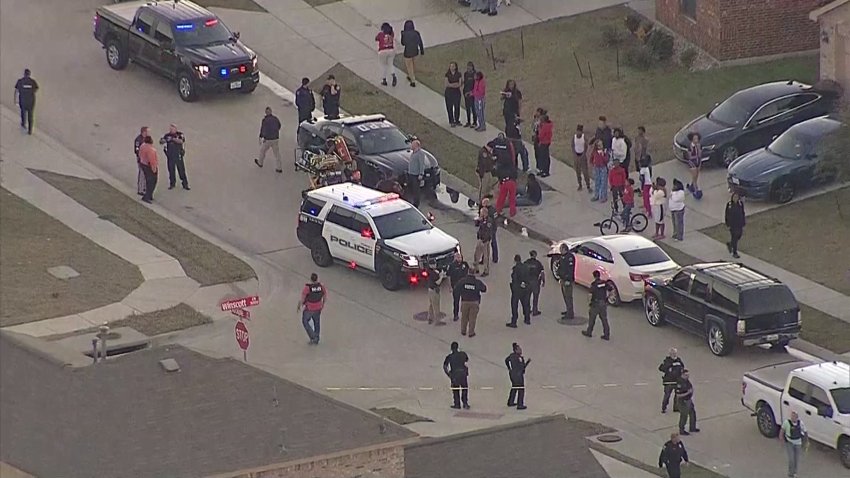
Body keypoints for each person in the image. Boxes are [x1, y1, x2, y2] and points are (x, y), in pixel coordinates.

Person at [455, 269, 487, 337]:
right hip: (474, 302)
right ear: (474, 273)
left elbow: (456, 288)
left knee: (464, 317)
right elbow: (484, 289)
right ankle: (471, 332)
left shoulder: (462, 281)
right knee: (472, 318)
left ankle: (463, 331)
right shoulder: (477, 282)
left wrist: (462, 292)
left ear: (468, 272)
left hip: (465, 301)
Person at [582, 270, 612, 340]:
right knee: (604, 319)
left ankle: (589, 332)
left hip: (595, 304)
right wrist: (607, 298)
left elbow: (590, 294)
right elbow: (610, 290)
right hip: (603, 303)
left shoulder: (594, 284)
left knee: (592, 319)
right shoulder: (604, 283)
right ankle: (606, 334)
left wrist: (589, 302)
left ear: (594, 276)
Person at [298, 273, 327, 345]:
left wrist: (299, 306)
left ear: (311, 279)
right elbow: (325, 295)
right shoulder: (321, 286)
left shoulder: (307, 288)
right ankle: (316, 338)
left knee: (305, 321)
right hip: (318, 308)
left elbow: (303, 299)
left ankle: (313, 336)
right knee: (317, 323)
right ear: (317, 278)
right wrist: (323, 304)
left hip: (309, 308)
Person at [159, 124, 189, 191]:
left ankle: (185, 184)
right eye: (170, 129)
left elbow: (181, 141)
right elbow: (161, 142)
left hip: (178, 155)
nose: (171, 130)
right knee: (171, 170)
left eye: (173, 129)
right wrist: (164, 140)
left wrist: (173, 139)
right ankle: (172, 184)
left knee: (181, 170)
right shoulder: (167, 135)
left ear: (176, 129)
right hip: (170, 156)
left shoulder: (180, 134)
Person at [254, 107, 283, 172]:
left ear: (266, 113)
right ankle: (279, 167)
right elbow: (279, 126)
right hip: (275, 138)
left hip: (268, 139)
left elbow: (263, 129)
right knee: (277, 154)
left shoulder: (265, 120)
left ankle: (260, 163)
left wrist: (261, 136)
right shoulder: (275, 119)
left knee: (262, 151)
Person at [506, 254, 531, 328]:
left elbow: (514, 278)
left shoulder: (515, 268)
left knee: (514, 305)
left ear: (515, 260)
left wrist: (513, 286)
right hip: (525, 288)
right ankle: (527, 319)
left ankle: (514, 322)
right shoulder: (526, 267)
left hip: (517, 290)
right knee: (525, 304)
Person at [443, 342, 470, 409]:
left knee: (455, 390)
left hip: (455, 375)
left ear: (451, 348)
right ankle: (465, 403)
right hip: (463, 374)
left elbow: (445, 366)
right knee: (464, 388)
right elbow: (466, 360)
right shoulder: (463, 354)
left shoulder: (449, 357)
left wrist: (449, 375)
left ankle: (457, 404)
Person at [781, 410, 807, 478]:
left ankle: (795, 472)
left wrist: (805, 443)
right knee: (791, 459)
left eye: (794, 417)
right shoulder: (786, 423)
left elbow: (805, 432)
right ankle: (790, 473)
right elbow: (781, 432)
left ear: (797, 417)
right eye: (792, 416)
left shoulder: (801, 423)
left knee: (796, 459)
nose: (793, 418)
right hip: (789, 443)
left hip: (798, 443)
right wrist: (783, 441)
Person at [659, 348, 685, 414]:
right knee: (667, 395)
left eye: (675, 353)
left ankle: (676, 408)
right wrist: (668, 367)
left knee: (677, 395)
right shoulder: (667, 361)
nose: (674, 354)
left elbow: (682, 367)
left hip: (677, 381)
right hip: (668, 382)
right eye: (673, 353)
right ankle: (664, 407)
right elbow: (661, 368)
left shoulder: (679, 360)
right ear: (670, 354)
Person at [14, 69, 38, 135]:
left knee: (23, 113)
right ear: (29, 74)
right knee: (30, 116)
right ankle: (30, 130)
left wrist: (15, 100)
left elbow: (16, 90)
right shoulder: (33, 82)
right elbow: (36, 89)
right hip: (31, 102)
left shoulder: (20, 81)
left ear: (24, 74)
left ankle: (23, 123)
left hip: (23, 101)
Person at [505, 343, 529, 409]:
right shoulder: (519, 358)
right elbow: (522, 367)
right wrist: (527, 362)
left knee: (514, 387)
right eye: (519, 349)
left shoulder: (511, 355)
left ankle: (510, 401)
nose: (521, 350)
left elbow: (506, 360)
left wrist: (509, 368)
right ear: (516, 350)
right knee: (521, 389)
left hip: (512, 374)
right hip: (518, 375)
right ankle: (520, 404)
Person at [400, 20, 424, 87]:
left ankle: (412, 80)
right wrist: (422, 51)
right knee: (413, 64)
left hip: (407, 52)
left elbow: (403, 43)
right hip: (415, 51)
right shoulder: (416, 33)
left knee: (409, 66)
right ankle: (410, 75)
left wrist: (402, 35)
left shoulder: (404, 34)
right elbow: (420, 42)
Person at [447, 253, 470, 321]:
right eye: (458, 257)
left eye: (460, 257)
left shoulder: (465, 264)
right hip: (455, 286)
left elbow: (468, 273)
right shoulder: (452, 266)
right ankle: (455, 315)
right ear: (455, 258)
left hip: (464, 286)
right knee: (456, 301)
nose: (460, 258)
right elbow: (448, 276)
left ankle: (465, 314)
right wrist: (450, 287)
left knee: (465, 301)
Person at [675, 369, 699, 435]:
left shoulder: (686, 381)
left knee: (692, 413)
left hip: (689, 400)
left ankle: (692, 427)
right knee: (684, 416)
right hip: (683, 402)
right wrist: (688, 392)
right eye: (686, 375)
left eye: (688, 375)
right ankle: (682, 430)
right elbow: (678, 395)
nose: (687, 376)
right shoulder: (679, 383)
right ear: (682, 374)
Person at [556, 243, 576, 321]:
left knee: (568, 297)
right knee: (565, 296)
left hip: (567, 280)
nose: (560, 251)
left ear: (565, 249)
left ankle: (570, 313)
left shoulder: (570, 257)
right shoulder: (562, 257)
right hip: (563, 279)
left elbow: (570, 270)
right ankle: (568, 310)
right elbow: (561, 266)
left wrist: (568, 280)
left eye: (561, 249)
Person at [138, 136, 159, 204]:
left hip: (143, 164)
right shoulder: (151, 150)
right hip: (149, 166)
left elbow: (140, 154)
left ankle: (148, 195)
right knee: (152, 181)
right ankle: (147, 196)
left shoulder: (142, 146)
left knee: (148, 180)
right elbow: (152, 161)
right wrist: (154, 169)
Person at [375, 23, 397, 87]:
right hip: (391, 50)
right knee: (391, 64)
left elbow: (376, 39)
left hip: (382, 51)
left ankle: (384, 80)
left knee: (383, 65)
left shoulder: (380, 34)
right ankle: (393, 75)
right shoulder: (391, 34)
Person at [724, 193, 745, 259]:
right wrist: (728, 224)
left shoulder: (740, 204)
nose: (735, 198)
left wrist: (743, 221)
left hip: (739, 223)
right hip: (733, 224)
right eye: (734, 197)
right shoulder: (729, 205)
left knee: (739, 235)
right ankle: (734, 252)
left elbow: (742, 213)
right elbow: (727, 214)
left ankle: (730, 244)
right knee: (735, 237)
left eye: (737, 197)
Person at [473, 207, 492, 276]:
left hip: (484, 241)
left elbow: (488, 232)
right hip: (480, 239)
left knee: (485, 256)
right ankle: (476, 268)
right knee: (477, 254)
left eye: (481, 213)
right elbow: (479, 227)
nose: (480, 214)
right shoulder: (482, 219)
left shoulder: (488, 221)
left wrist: (483, 240)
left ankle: (486, 271)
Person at [407, 139, 426, 208]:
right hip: (411, 173)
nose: (411, 146)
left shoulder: (420, 154)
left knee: (416, 190)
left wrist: (421, 174)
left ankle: (416, 203)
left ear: (416, 145)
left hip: (416, 175)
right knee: (411, 188)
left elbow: (422, 164)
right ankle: (412, 201)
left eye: (412, 145)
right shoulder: (413, 153)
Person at [525, 251, 545, 316]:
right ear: (535, 255)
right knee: (535, 297)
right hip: (535, 282)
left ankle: (527, 310)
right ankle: (535, 311)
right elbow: (542, 273)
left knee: (527, 297)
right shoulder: (538, 263)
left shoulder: (526, 262)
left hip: (528, 282)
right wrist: (543, 281)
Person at [481, 196, 500, 264]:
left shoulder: (488, 211)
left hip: (489, 230)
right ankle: (495, 258)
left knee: (486, 244)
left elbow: (488, 221)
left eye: (483, 204)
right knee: (493, 243)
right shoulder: (493, 210)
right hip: (493, 228)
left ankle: (484, 259)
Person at [572, 124, 591, 191]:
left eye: (579, 131)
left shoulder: (584, 137)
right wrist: (574, 154)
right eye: (577, 131)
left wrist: (583, 154)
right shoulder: (574, 137)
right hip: (576, 156)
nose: (578, 133)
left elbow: (586, 146)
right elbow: (573, 146)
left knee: (585, 172)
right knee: (578, 172)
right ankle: (580, 184)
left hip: (582, 156)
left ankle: (588, 185)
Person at [444, 62, 463, 126]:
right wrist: (454, 84)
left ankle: (457, 120)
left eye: (453, 66)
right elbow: (446, 84)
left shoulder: (459, 74)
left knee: (457, 106)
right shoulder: (447, 74)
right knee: (449, 107)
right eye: (451, 66)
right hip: (449, 93)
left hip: (456, 93)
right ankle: (451, 121)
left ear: (455, 67)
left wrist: (451, 85)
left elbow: (459, 84)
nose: (452, 67)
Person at [134, 126, 151, 196]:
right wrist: (141, 157)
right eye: (148, 131)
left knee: (146, 174)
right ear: (144, 132)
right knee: (142, 174)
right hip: (141, 159)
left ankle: (144, 188)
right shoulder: (138, 140)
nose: (149, 133)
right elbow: (136, 150)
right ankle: (140, 189)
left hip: (147, 159)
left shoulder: (148, 139)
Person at [686, 132, 702, 197]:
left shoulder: (699, 145)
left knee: (697, 176)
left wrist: (699, 149)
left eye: (697, 139)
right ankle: (696, 190)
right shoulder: (690, 147)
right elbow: (690, 157)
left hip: (698, 162)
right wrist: (697, 156)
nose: (696, 140)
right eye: (694, 139)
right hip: (692, 163)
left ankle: (692, 186)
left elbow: (700, 155)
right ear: (692, 139)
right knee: (694, 177)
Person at [462, 62, 477, 127]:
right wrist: (465, 92)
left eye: (470, 67)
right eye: (468, 67)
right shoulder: (465, 74)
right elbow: (465, 83)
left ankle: (475, 122)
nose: (469, 68)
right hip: (466, 92)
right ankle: (468, 121)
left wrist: (471, 92)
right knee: (467, 108)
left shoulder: (475, 74)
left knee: (473, 108)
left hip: (472, 93)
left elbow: (475, 85)